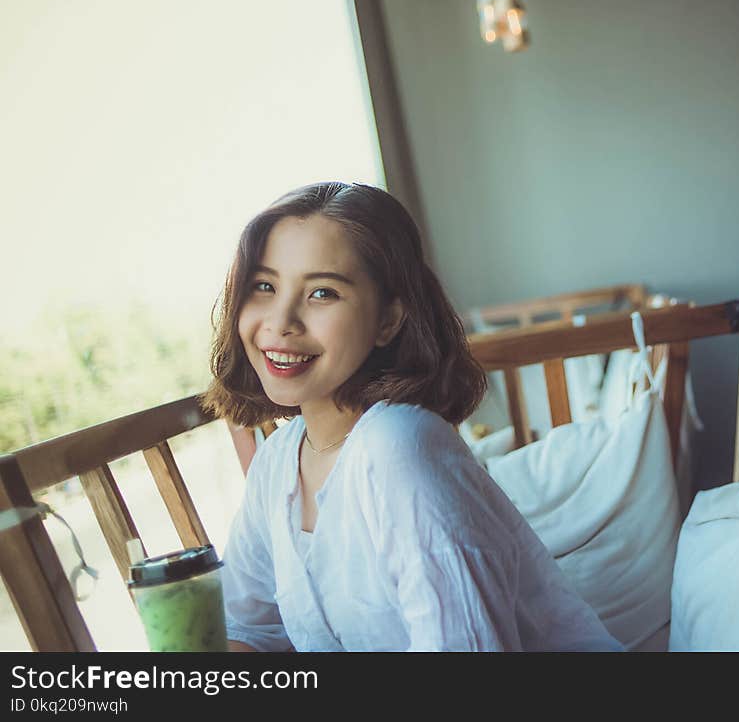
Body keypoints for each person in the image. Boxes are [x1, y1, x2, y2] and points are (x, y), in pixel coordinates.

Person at [201, 181, 622, 652]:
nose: (281, 321)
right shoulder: (278, 460)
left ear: (388, 320)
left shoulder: (398, 443)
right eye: (264, 286)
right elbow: (248, 631)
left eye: (322, 292)